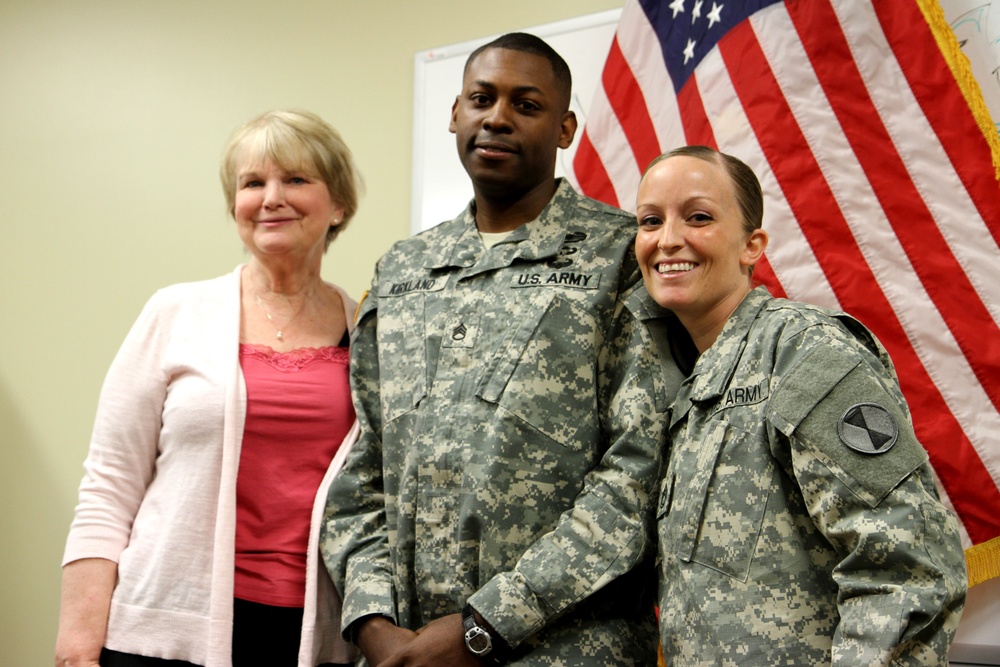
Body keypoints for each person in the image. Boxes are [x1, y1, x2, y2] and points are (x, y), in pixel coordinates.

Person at [321, 33, 672, 666]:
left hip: (565, 648)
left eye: (526, 104)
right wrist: (372, 621)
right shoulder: (403, 270)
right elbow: (362, 465)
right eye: (481, 98)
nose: (497, 118)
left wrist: (485, 626)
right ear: (455, 113)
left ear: (564, 128)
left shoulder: (621, 257)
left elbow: (639, 474)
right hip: (406, 655)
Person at [633, 145, 968, 665]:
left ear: (752, 245)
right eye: (650, 221)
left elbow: (907, 567)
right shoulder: (689, 387)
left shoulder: (802, 352)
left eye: (698, 217)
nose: (668, 239)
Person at [55, 110, 364, 667]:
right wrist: (78, 644)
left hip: (315, 636)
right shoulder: (175, 312)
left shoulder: (370, 329)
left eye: (295, 179)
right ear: (235, 206)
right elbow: (109, 484)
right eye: (253, 183)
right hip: (163, 627)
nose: (271, 198)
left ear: (338, 204)